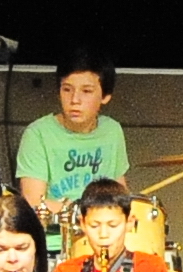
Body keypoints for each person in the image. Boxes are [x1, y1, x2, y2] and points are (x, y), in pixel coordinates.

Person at [15, 55, 132, 238]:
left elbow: (121, 193)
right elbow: (35, 203)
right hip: (55, 237)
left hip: (103, 235)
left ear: (106, 96)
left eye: (86, 91)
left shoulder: (112, 131)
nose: (75, 100)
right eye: (67, 89)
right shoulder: (38, 134)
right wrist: (86, 215)